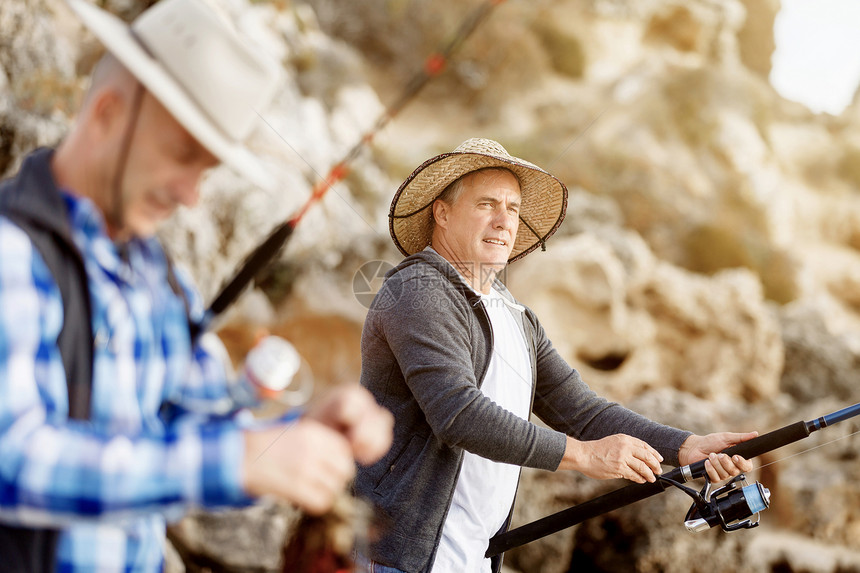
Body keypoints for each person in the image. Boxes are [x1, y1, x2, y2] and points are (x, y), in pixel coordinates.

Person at [0, 0, 393, 571]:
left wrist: (295, 435)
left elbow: (202, 429)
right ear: (107, 112)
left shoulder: (166, 284)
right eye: (183, 156)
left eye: (206, 169)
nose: (191, 195)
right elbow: (15, 457)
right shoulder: (10, 254)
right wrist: (238, 459)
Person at [354, 138, 757, 573]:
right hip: (393, 556)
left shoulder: (515, 316)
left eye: (512, 208)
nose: (503, 220)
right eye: (487, 204)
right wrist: (585, 457)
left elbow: (582, 411)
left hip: (469, 558)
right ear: (442, 212)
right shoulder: (417, 291)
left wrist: (683, 446)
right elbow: (458, 414)